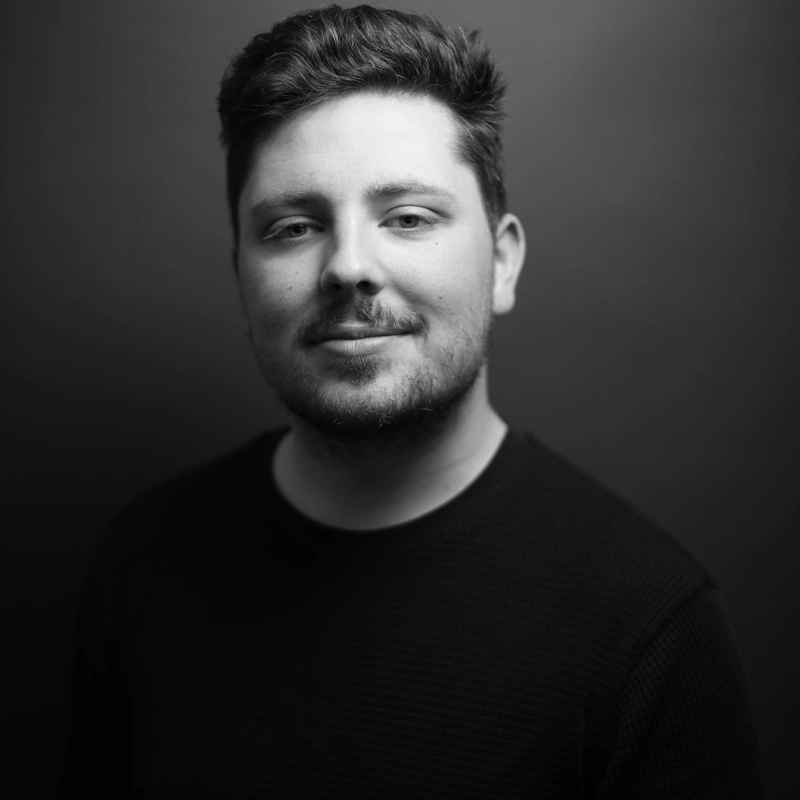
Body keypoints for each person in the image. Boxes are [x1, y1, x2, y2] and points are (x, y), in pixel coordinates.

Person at [57, 5, 763, 797]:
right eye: (293, 228)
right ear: (241, 277)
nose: (347, 267)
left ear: (501, 264)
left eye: (408, 218)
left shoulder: (652, 624)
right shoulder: (142, 564)